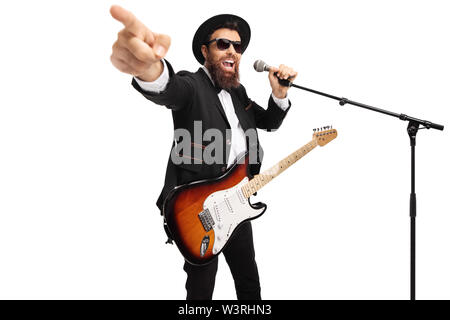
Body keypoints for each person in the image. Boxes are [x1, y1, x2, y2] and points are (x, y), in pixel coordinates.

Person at [109, 5, 298, 300]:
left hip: (238, 205)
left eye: (237, 47)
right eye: (223, 44)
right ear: (205, 51)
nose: (232, 51)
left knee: (250, 285)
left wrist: (279, 93)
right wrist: (147, 69)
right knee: (200, 294)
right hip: (197, 212)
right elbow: (170, 89)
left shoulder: (238, 92)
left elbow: (269, 123)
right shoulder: (192, 85)